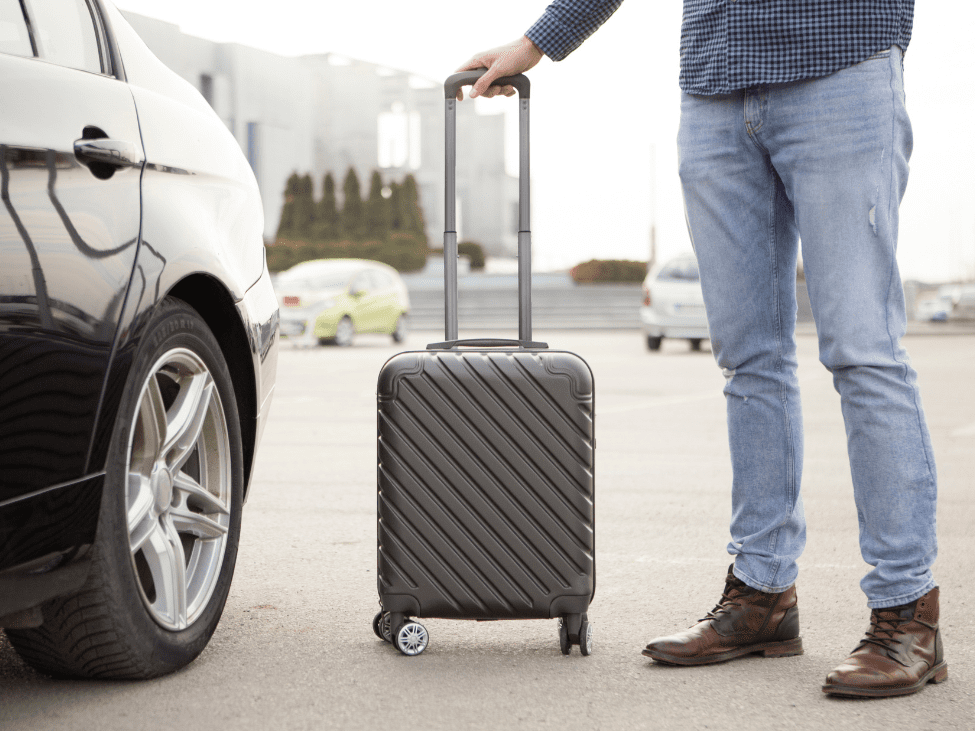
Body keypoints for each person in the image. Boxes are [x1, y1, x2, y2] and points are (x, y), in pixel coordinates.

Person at [456, 0, 945, 698]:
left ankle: (907, 616)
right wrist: (538, 41)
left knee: (862, 351)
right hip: (716, 85)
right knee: (748, 360)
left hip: (840, 64)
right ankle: (761, 596)